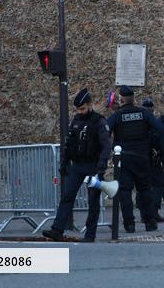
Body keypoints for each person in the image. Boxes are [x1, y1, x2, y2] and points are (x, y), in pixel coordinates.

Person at [43, 88, 111, 242]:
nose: (80, 111)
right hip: (77, 165)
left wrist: (101, 168)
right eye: (78, 109)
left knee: (93, 201)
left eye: (83, 108)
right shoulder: (76, 120)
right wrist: (65, 162)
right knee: (67, 196)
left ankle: (90, 234)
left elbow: (106, 146)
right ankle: (57, 230)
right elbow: (69, 143)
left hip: (93, 165)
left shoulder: (99, 121)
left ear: (90, 105)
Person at [107, 85, 164, 233]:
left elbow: (104, 131)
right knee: (145, 190)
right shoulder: (144, 113)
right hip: (142, 158)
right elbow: (160, 130)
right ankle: (150, 222)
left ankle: (129, 224)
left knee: (125, 192)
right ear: (134, 99)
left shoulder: (117, 116)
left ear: (121, 99)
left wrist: (111, 149)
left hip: (124, 160)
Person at [139, 97, 164, 223]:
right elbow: (161, 141)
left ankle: (146, 212)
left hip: (143, 158)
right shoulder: (154, 122)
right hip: (149, 158)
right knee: (157, 184)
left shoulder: (140, 122)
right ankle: (152, 212)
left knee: (145, 186)